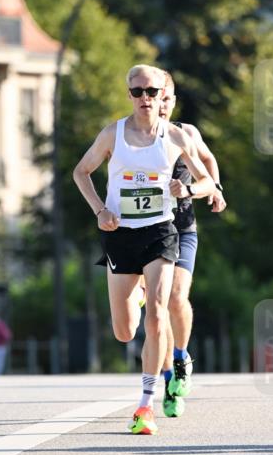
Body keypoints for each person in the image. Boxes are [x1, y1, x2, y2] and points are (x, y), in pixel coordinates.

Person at [73, 64, 214, 434]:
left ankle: (145, 406)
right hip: (120, 235)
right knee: (124, 331)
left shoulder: (176, 137)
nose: (146, 99)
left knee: (157, 312)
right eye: (138, 92)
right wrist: (100, 210)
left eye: (152, 92)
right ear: (129, 95)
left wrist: (189, 191)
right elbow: (80, 172)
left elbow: (206, 180)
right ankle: (133, 298)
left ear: (161, 94)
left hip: (160, 232)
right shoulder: (112, 134)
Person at [158, 73, 227, 418]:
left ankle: (181, 356)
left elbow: (209, 161)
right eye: (157, 97)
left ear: (172, 99)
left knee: (176, 298)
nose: (162, 104)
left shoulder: (186, 133)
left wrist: (215, 189)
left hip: (183, 226)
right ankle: (168, 377)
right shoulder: (132, 136)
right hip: (144, 233)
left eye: (167, 98)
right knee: (156, 311)